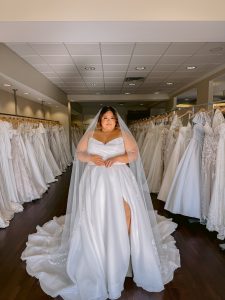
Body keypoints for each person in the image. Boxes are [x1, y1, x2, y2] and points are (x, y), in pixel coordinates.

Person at [21, 106, 180, 300]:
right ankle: (99, 251)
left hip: (119, 178)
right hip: (95, 179)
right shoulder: (91, 134)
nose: (109, 121)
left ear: (116, 120)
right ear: (100, 120)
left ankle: (126, 251)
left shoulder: (122, 134)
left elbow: (133, 153)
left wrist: (118, 158)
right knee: (96, 214)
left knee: (125, 212)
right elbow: (79, 153)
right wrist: (90, 157)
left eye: (112, 118)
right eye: (105, 118)